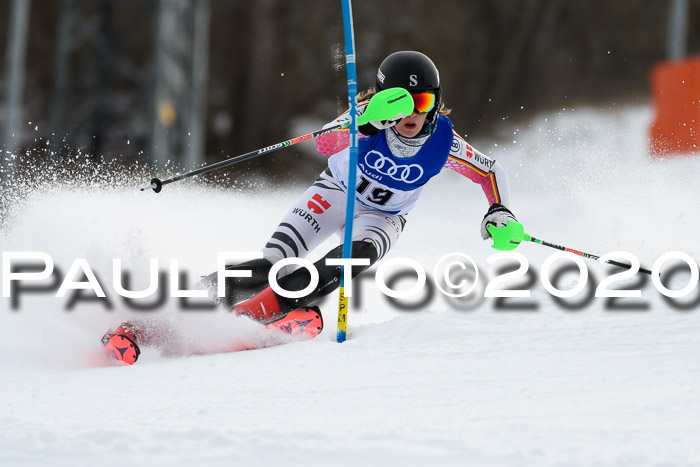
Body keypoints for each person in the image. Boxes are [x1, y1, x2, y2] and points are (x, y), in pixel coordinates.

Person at [102, 51, 518, 364]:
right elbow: (323, 142)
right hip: (334, 192)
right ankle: (161, 318)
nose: (410, 113)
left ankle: (270, 309)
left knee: (351, 259)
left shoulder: (444, 141)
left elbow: (488, 171)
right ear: (381, 97)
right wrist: (366, 123)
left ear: (436, 103)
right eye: (400, 101)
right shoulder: (363, 116)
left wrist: (498, 211)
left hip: (383, 217)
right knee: (271, 264)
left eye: (422, 102)